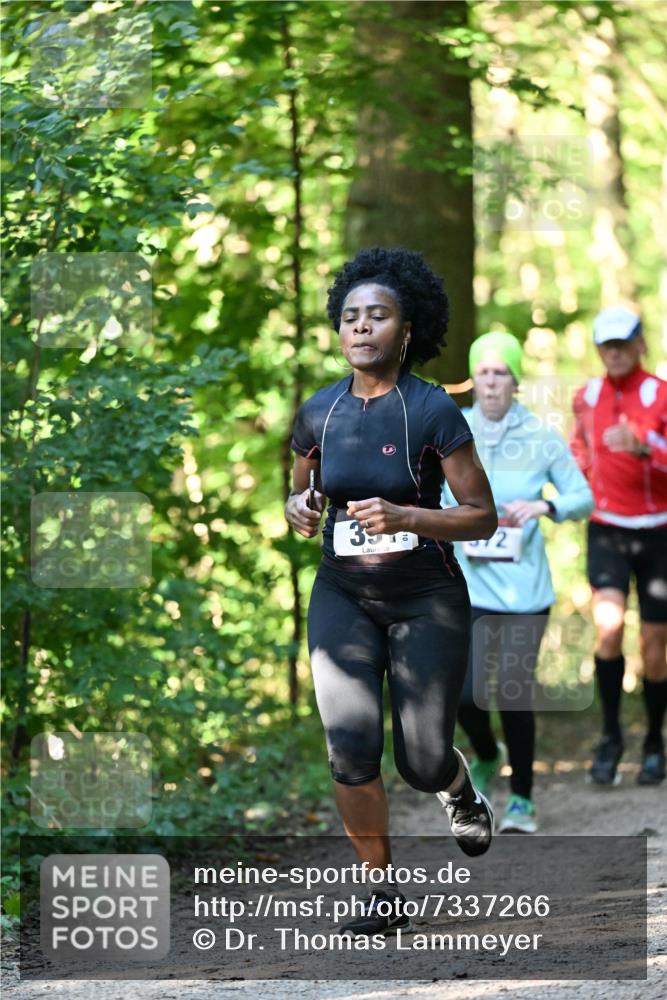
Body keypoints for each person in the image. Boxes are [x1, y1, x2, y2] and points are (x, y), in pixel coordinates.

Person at [285, 246, 497, 937]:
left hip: (425, 596)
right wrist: (298, 508)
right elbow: (300, 489)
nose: (362, 327)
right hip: (342, 593)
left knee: (421, 760)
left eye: (377, 315)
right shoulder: (319, 412)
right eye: (350, 316)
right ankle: (380, 891)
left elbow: (480, 516)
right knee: (348, 748)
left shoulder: (432, 410)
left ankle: (458, 788)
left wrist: (407, 516)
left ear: (406, 329)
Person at [442, 331, 593, 833]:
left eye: (500, 372)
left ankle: (522, 798)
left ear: (515, 380)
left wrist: (543, 506)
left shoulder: (542, 436)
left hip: (526, 591)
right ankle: (487, 752)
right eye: (483, 372)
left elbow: (582, 497)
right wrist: (454, 521)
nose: (491, 381)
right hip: (470, 586)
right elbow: (436, 497)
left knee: (512, 690)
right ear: (473, 379)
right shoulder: (455, 430)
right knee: (462, 696)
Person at [571, 307, 667, 786]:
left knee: (653, 647)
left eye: (622, 343)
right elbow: (578, 453)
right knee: (608, 629)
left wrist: (646, 446)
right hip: (606, 528)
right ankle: (610, 736)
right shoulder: (585, 397)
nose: (614, 352)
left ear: (640, 344)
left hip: (658, 533)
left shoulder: (661, 394)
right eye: (605, 345)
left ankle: (654, 740)